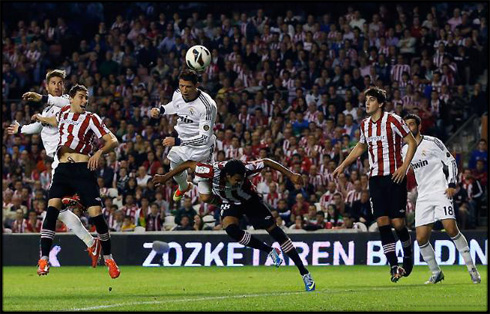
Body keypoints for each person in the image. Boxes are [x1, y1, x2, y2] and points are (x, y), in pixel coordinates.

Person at [152, 158, 316, 291]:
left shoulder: (246, 168)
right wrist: (166, 177)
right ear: (227, 176)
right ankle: (269, 251)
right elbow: (188, 164)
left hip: (250, 200)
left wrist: (291, 174)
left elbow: (266, 161)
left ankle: (304, 272)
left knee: (275, 232)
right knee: (231, 230)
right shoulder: (210, 171)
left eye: (242, 179)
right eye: (237, 180)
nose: (240, 182)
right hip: (229, 202)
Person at [7, 69, 100, 267]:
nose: (57, 86)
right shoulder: (48, 109)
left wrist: (42, 101)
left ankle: (76, 200)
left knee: (55, 207)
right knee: (58, 211)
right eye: (53, 83)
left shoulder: (68, 101)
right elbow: (40, 126)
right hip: (57, 162)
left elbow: (56, 114)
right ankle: (92, 243)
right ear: (47, 85)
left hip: (69, 158)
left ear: (64, 87)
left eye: (60, 82)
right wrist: (20, 129)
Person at [31, 84, 120, 279]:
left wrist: (98, 151)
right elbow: (54, 121)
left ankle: (109, 258)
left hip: (83, 170)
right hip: (63, 169)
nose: (84, 101)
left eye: (86, 98)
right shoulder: (63, 113)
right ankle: (44, 259)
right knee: (52, 210)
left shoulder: (91, 118)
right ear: (71, 99)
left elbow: (112, 140)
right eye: (81, 97)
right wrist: (40, 118)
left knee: (96, 215)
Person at [333, 86, 417, 283]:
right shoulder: (364, 125)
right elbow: (361, 146)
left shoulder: (393, 120)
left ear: (380, 103)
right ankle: (393, 265)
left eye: (371, 100)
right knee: (382, 222)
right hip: (376, 178)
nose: (367, 103)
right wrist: (343, 165)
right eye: (366, 100)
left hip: (395, 176)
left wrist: (404, 167)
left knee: (398, 223)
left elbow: (411, 142)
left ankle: (408, 255)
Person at [403, 114, 481, 284]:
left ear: (419, 126)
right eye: (406, 125)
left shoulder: (432, 142)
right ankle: (436, 272)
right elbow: (401, 172)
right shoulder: (405, 149)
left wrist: (452, 183)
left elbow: (450, 160)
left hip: (440, 191)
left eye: (411, 124)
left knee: (451, 229)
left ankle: (472, 269)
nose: (409, 127)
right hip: (423, 196)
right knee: (421, 238)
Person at [150, 69, 217, 204]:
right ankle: (184, 187)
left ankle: (224, 202)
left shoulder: (207, 106)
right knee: (174, 166)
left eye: (188, 87)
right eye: (181, 86)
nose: (184, 90)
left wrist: (177, 141)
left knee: (205, 197)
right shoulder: (178, 94)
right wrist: (161, 110)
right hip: (182, 144)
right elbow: (174, 106)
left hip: (201, 149)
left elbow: (204, 138)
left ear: (196, 85)